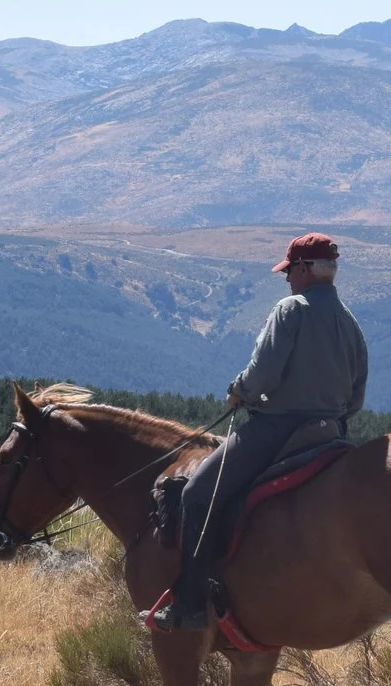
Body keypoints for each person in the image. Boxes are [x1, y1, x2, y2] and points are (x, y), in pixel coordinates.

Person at [150, 232, 369, 632]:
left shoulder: (291, 310)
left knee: (198, 495)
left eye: (290, 271)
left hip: (278, 429)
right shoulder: (350, 322)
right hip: (331, 433)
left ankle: (193, 605)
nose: (287, 280)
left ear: (304, 269)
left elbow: (264, 372)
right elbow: (357, 395)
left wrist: (241, 392)